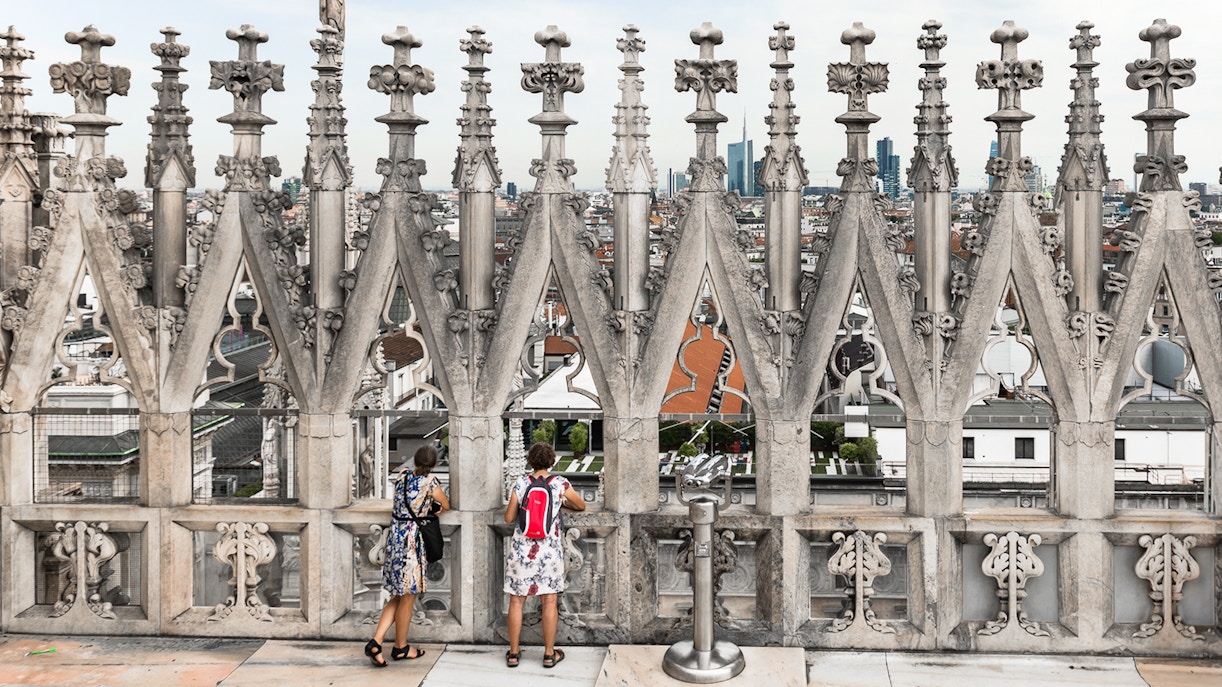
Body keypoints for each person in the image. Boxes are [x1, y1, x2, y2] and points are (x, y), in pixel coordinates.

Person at [502, 442, 586, 669]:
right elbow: (581, 505)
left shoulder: (521, 483)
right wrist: (562, 503)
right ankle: (549, 654)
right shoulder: (560, 483)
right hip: (549, 552)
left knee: (516, 601)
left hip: (522, 550)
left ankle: (513, 653)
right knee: (549, 601)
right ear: (552, 461)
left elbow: (509, 518)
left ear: (529, 461)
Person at [365, 444, 449, 667]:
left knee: (398, 595)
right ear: (434, 465)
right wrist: (434, 506)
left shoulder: (401, 478)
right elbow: (446, 504)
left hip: (395, 540)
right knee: (408, 597)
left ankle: (376, 642)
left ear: (414, 461)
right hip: (412, 543)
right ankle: (401, 647)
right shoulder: (430, 483)